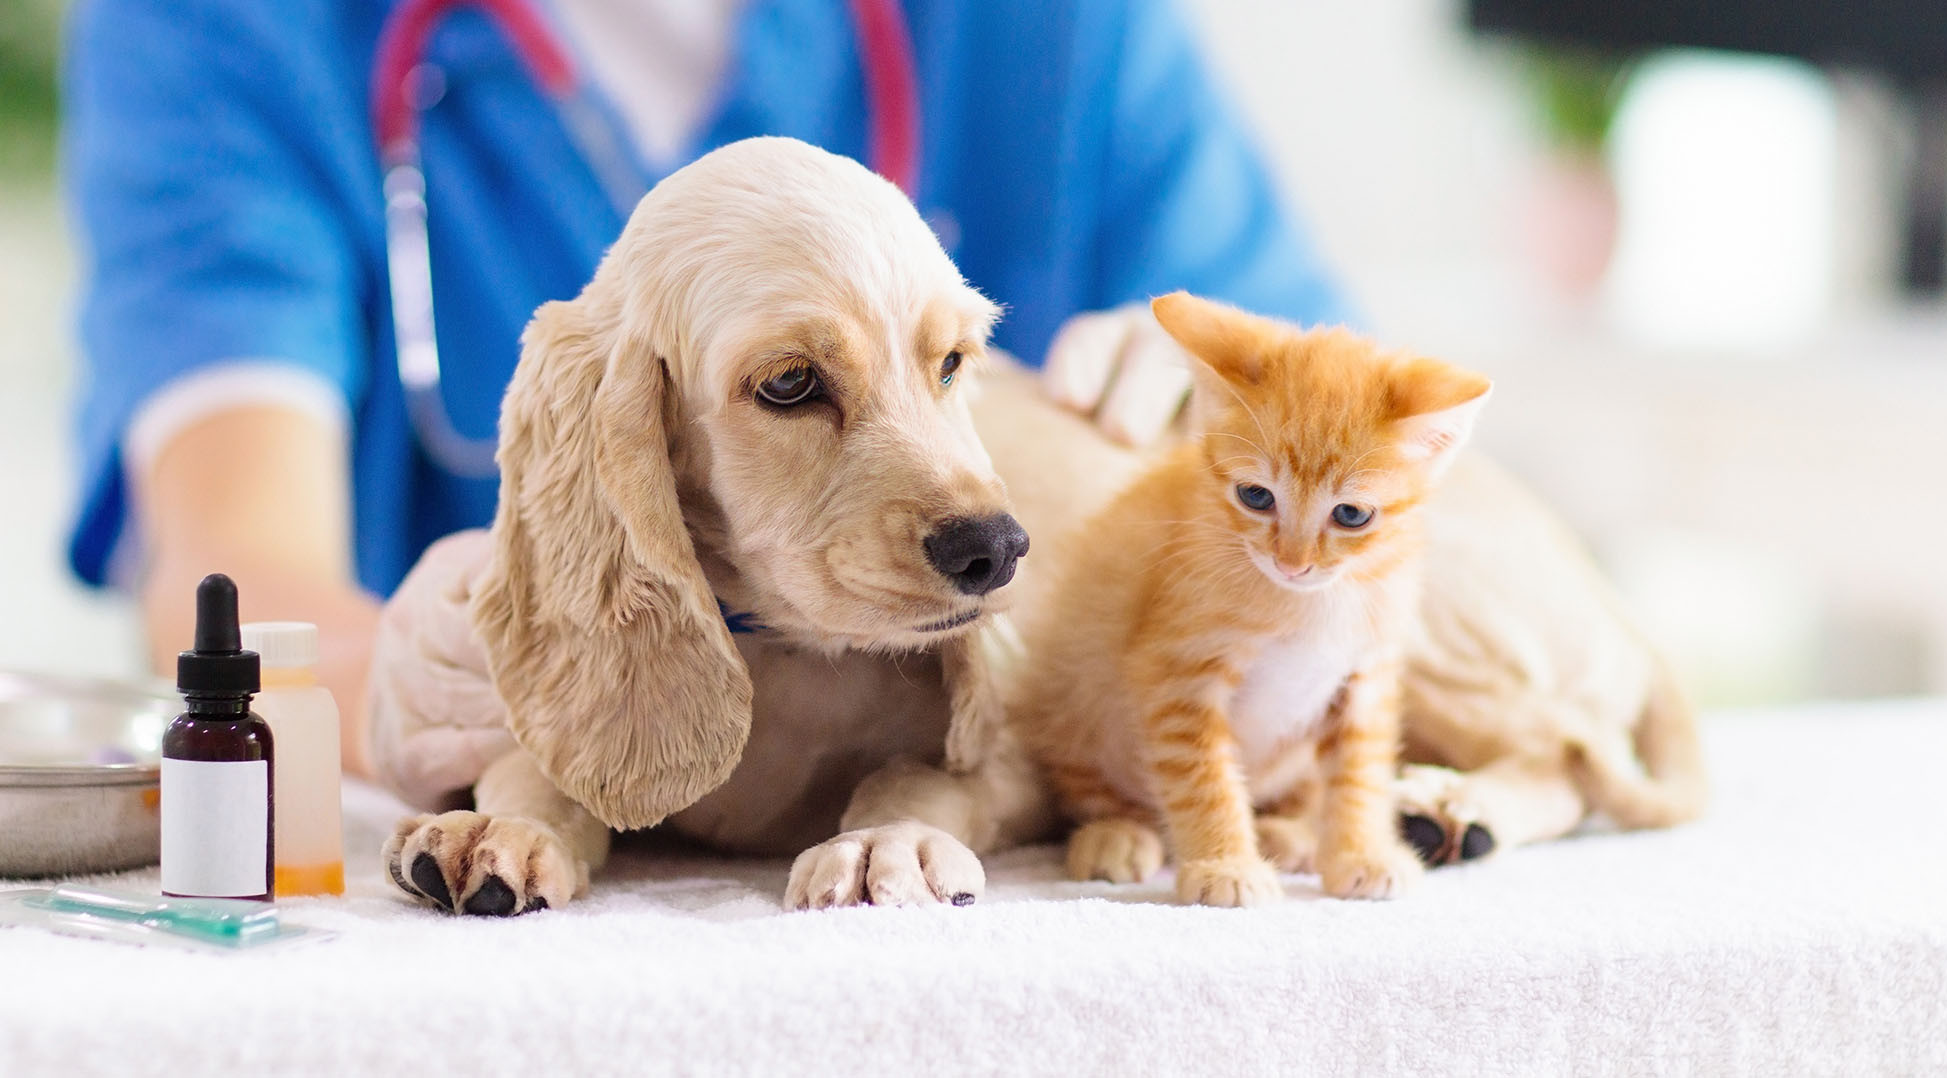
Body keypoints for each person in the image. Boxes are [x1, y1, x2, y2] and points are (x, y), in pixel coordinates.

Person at [63, 0, 1347, 773]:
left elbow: (1385, 443)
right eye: (794, 381)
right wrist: (404, 685)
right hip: (526, 838)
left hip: (962, 792)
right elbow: (231, 562)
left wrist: (1245, 435)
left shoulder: (1056, 33)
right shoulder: (226, 27)